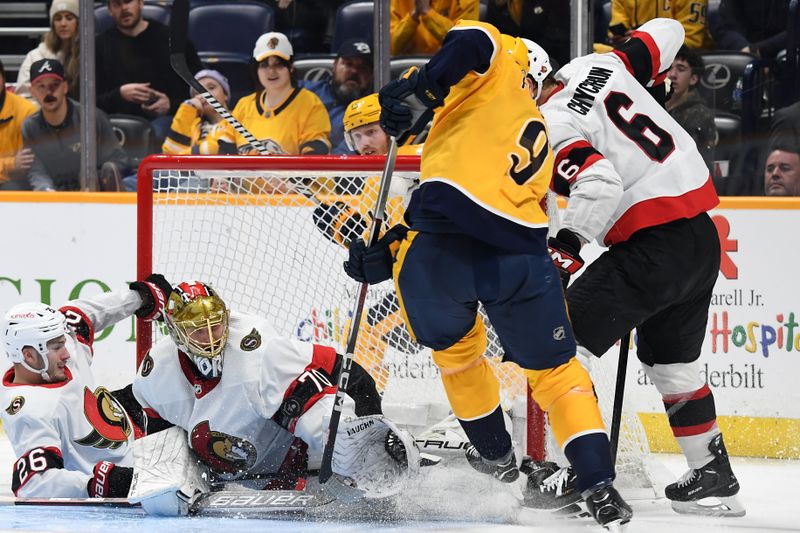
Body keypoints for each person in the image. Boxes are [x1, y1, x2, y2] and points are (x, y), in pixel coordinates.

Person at [352, 20, 631, 529]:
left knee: (457, 358)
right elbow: (490, 198)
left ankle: (497, 457)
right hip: (519, 257)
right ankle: (597, 483)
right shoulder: (539, 128)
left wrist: (421, 88)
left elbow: (472, 42)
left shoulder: (495, 65)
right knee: (556, 375)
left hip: (437, 254)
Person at [532, 18, 744, 517]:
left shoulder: (552, 123)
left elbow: (600, 185)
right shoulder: (602, 64)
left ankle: (581, 473)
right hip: (699, 238)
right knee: (671, 362)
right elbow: (669, 28)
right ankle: (711, 471)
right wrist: (652, 69)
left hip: (653, 248)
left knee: (559, 344)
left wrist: (566, 249)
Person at [129, 279, 418, 514]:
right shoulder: (156, 374)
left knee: (304, 391)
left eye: (215, 325)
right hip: (233, 475)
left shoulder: (256, 344)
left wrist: (370, 420)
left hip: (299, 452)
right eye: (197, 331)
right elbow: (155, 434)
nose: (211, 336)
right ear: (177, 334)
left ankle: (358, 449)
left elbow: (344, 369)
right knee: (161, 501)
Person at [0, 274, 172, 498]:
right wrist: (97, 483)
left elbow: (81, 314)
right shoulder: (30, 411)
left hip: (130, 422)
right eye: (56, 347)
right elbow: (34, 483)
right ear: (29, 356)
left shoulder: (55, 346)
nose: (66, 352)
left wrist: (139, 297)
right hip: (126, 470)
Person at [313, 93, 422, 389]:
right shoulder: (375, 177)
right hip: (418, 282)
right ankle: (370, 401)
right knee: (362, 328)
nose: (364, 143)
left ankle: (366, 402)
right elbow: (372, 241)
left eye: (372, 132)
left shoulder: (415, 159)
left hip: (446, 277)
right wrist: (343, 228)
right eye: (357, 136)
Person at [95, 0, 203, 145]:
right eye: (117, 4)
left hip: (168, 119)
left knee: (156, 134)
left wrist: (170, 105)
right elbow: (89, 103)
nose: (124, 8)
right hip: (115, 123)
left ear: (140, 3)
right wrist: (119, 94)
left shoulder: (172, 40)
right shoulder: (99, 46)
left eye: (128, 1)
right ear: (109, 9)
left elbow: (201, 92)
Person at [21, 59, 130, 191]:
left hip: (95, 195)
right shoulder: (30, 127)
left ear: (65, 87)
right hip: (54, 196)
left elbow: (119, 160)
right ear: (32, 92)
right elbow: (36, 171)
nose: (49, 92)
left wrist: (97, 178)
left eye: (55, 85)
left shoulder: (92, 117)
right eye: (41, 86)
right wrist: (47, 192)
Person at [299, 39, 375, 154]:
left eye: (363, 68)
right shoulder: (304, 91)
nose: (354, 71)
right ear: (334, 66)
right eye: (348, 63)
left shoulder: (374, 112)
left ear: (371, 76)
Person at [15, 0, 80, 100]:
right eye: (58, 19)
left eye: (69, 18)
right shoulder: (35, 56)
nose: (63, 23)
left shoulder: (89, 55)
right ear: (52, 24)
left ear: (78, 22)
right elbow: (23, 97)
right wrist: (47, 112)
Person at [161, 70, 236, 156]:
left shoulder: (240, 118)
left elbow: (217, 148)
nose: (205, 94)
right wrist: (187, 109)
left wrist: (184, 156)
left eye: (211, 87)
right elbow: (170, 154)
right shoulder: (193, 126)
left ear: (225, 95)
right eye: (197, 92)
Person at [666, 45, 716, 172]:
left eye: (681, 69)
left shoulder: (701, 114)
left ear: (693, 79)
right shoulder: (652, 106)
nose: (672, 75)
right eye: (668, 68)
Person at [485, 0, 571, 68]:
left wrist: (527, 52)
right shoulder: (498, 4)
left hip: (549, 56)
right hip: (513, 58)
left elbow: (558, 33)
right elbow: (494, 34)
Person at [609, 0, 713, 49]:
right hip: (635, 52)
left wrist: (644, 39)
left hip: (681, 56)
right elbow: (616, 31)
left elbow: (691, 41)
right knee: (596, 51)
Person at [0, 58, 38, 191]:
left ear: (3, 79)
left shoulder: (27, 111)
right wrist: (10, 164)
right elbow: (16, 164)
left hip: (13, 185)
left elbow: (26, 165)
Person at [390, 0, 480, 55]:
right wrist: (412, 18)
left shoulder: (467, 1)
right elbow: (391, 47)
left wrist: (427, 14)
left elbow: (464, 44)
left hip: (450, 68)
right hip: (405, 70)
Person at [711, 0, 788, 58]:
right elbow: (725, 26)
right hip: (743, 53)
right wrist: (747, 49)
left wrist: (759, 49)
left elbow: (795, 30)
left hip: (782, 54)